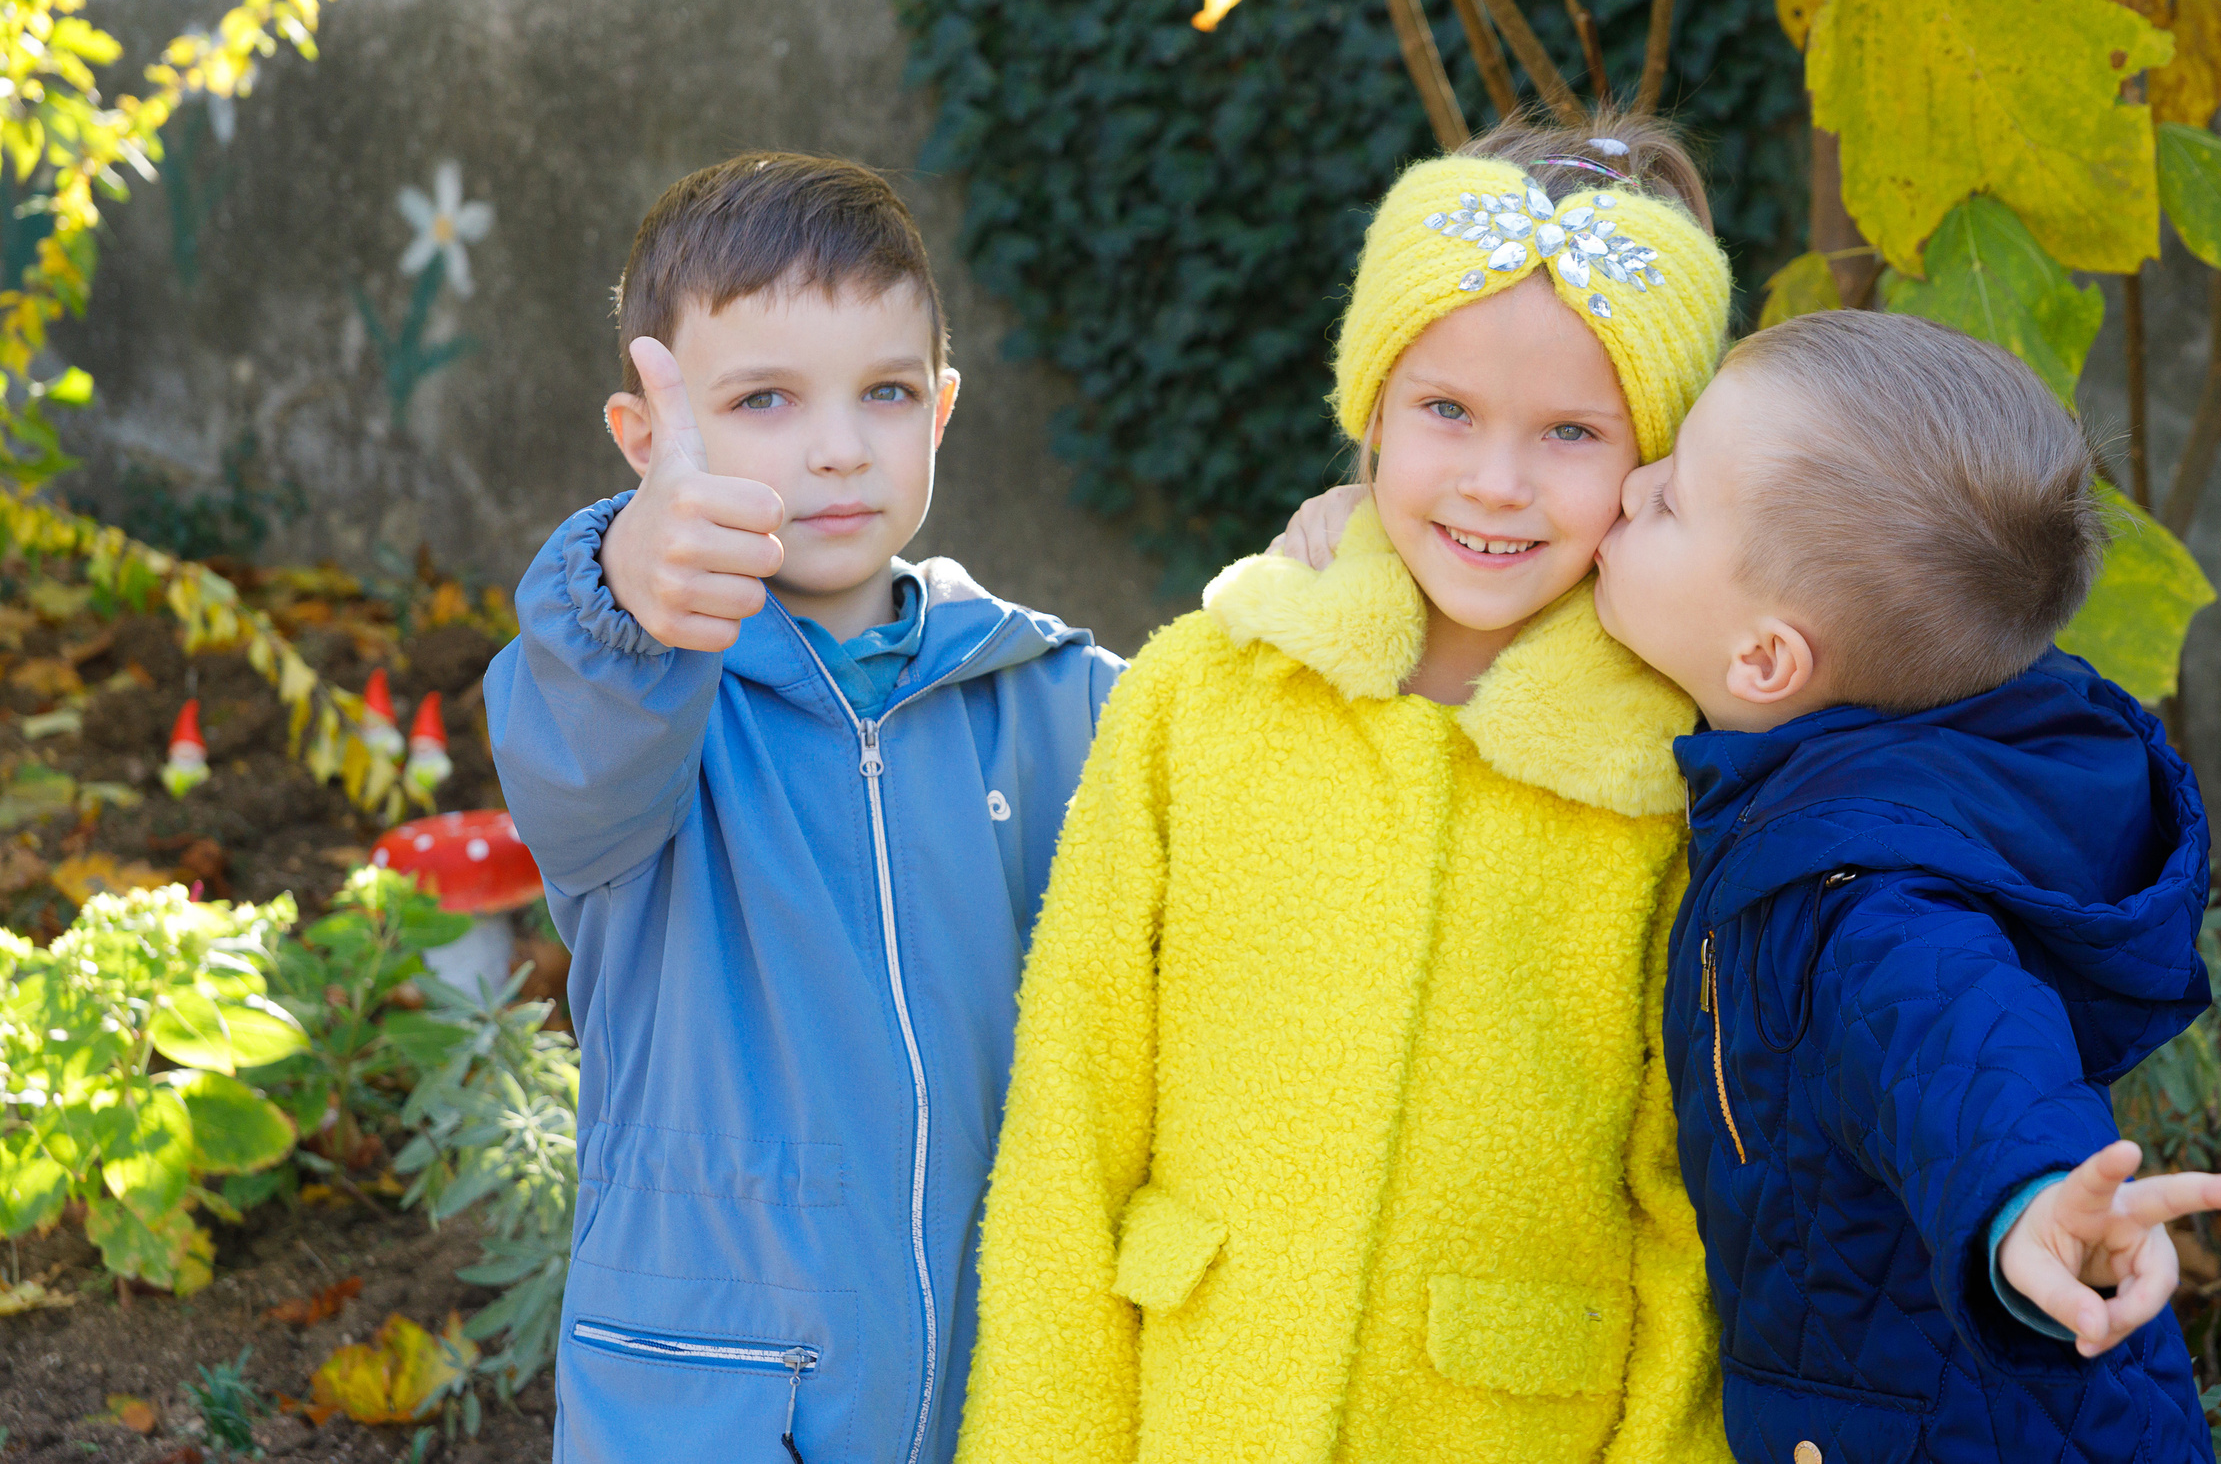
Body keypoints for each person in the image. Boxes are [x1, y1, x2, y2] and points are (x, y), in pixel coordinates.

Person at [955, 116, 1737, 1464]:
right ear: (1370, 405)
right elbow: (1071, 1113)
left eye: (1570, 430)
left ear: (1653, 459)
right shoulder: (1202, 690)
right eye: (1446, 411)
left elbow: (1688, 1207)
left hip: (1505, 1425)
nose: (1497, 480)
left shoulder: (1670, 774)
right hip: (1197, 1401)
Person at [484, 153, 1128, 1464]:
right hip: (711, 1405)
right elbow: (572, 755)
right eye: (764, 398)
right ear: (647, 436)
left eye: (884, 392)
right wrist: (624, 574)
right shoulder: (645, 694)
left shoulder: (1052, 695)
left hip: (996, 1384)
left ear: (940, 410)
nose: (839, 445)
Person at [1593, 308, 2221, 1463]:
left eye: (1667, 501)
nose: (1626, 484)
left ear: (1763, 658)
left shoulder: (1870, 901)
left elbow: (1960, 1047)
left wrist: (2027, 1209)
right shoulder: (1900, 739)